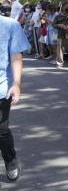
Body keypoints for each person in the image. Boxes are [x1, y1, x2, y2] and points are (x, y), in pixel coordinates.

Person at [0, 14, 30, 181]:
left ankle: (10, 160)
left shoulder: (10, 25)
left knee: (1, 130)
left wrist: (16, 84)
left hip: (2, 87)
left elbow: (16, 56)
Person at [53, 3, 68, 68]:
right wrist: (59, 25)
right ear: (63, 7)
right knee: (60, 48)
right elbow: (53, 24)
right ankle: (59, 63)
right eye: (66, 7)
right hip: (61, 34)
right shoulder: (58, 16)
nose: (67, 8)